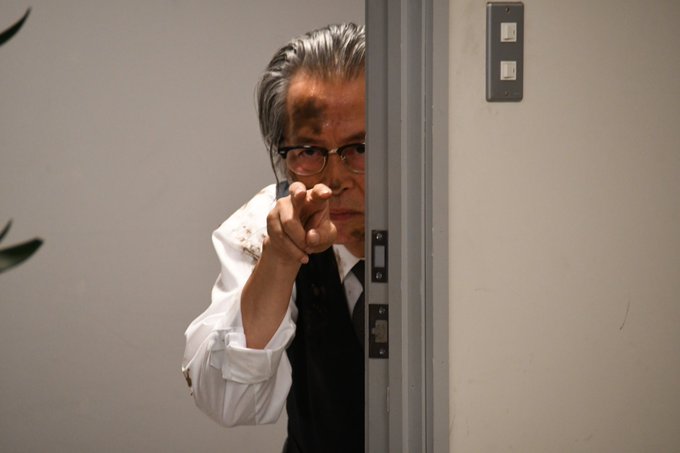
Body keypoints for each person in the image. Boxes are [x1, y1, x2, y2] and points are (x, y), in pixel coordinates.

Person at [182, 23, 366, 453]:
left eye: (360, 148)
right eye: (310, 152)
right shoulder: (266, 222)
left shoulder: (451, 219)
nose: (335, 180)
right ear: (281, 151)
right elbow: (226, 401)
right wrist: (280, 259)